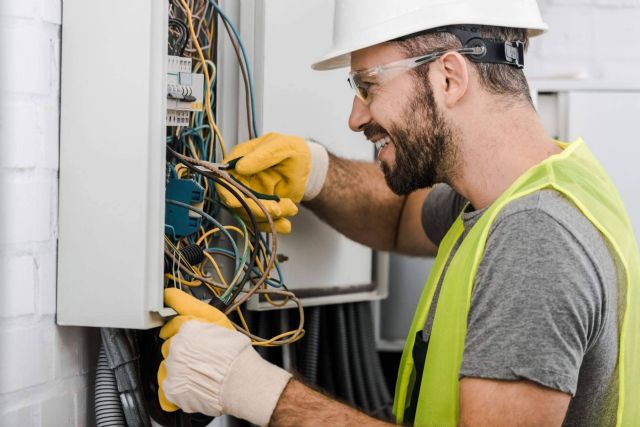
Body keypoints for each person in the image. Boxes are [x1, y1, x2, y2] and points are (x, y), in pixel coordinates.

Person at [157, 0, 640, 426]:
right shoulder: (534, 186)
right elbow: (396, 219)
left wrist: (249, 387)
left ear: (449, 77)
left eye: (369, 85)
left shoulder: (534, 238)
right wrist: (317, 173)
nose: (355, 117)